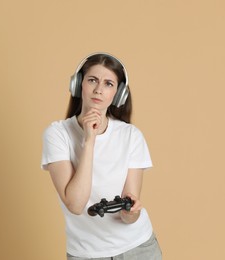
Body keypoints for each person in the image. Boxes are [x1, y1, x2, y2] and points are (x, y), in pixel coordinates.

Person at [41, 52, 162, 259]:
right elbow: (76, 204)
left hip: (138, 248)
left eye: (108, 84)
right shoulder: (57, 134)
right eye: (92, 80)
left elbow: (129, 210)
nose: (98, 90)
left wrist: (130, 213)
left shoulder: (131, 136)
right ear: (78, 84)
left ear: (119, 93)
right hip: (87, 254)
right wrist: (89, 140)